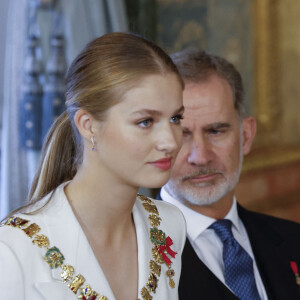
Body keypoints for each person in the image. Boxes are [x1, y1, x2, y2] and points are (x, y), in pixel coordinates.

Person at [0, 32, 187, 300]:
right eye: (145, 121)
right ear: (88, 126)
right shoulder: (12, 252)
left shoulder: (170, 225)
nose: (170, 141)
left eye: (176, 118)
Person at [160, 49, 300, 300]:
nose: (200, 157)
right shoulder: (128, 259)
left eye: (215, 131)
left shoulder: (294, 240)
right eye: (182, 135)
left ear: (246, 136)